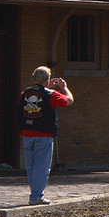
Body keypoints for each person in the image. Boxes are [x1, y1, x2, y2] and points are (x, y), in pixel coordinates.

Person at [18, 65, 74, 205]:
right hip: (43, 134)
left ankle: (34, 193)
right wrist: (64, 87)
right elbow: (69, 101)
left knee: (30, 166)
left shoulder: (25, 93)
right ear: (47, 80)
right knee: (41, 166)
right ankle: (36, 196)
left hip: (26, 133)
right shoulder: (51, 94)